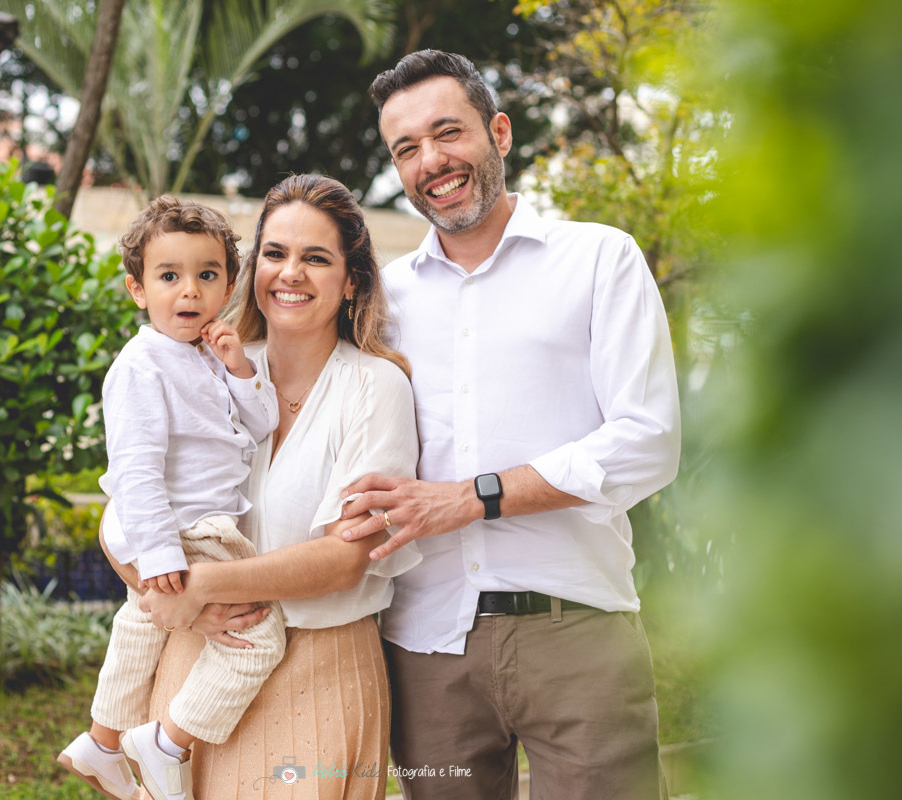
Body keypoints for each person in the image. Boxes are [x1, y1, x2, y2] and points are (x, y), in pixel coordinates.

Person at [339, 50, 682, 800]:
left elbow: (648, 443)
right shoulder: (382, 301)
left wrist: (472, 497)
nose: (432, 161)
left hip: (577, 628)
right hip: (425, 643)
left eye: (448, 132)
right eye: (407, 149)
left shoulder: (599, 260)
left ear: (499, 131)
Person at [103, 173, 422, 799]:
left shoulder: (375, 388)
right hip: (195, 670)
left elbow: (343, 560)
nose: (290, 273)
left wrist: (195, 588)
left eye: (317, 258)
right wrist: (154, 585)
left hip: (321, 669)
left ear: (352, 280)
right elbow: (127, 505)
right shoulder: (203, 366)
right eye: (275, 254)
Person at [59, 196, 288, 800]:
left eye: (206, 276)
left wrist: (239, 368)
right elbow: (136, 470)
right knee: (258, 636)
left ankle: (101, 741)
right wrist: (160, 558)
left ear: (229, 286)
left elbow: (262, 424)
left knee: (140, 625)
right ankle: (168, 743)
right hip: (185, 533)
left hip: (187, 530)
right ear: (138, 289)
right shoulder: (141, 365)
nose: (189, 291)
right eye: (169, 277)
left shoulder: (209, 356)